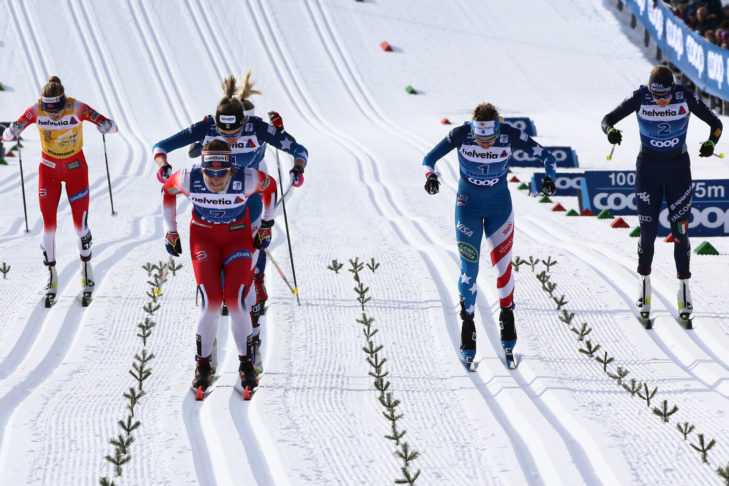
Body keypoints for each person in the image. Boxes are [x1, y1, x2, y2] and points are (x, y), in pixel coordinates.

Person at [153, 69, 308, 373]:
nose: (230, 139)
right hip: (213, 201)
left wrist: (297, 169)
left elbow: (298, 149)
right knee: (216, 290)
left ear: (244, 123)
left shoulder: (257, 128)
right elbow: (160, 146)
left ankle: (253, 335)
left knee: (245, 286)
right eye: (223, 135)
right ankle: (215, 342)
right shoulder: (207, 126)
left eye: (236, 133)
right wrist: (163, 167)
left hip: (249, 199)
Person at [422, 102, 557, 369]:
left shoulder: (509, 133)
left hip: (499, 209)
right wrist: (431, 177)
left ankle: (507, 322)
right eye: (480, 139)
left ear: (498, 131)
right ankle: (468, 327)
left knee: (503, 268)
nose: (485, 145)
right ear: (473, 129)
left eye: (490, 140)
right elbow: (429, 159)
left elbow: (548, 157)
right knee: (469, 270)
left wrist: (549, 178)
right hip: (467, 208)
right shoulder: (461, 134)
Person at [601, 65, 722, 323]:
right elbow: (607, 120)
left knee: (680, 232)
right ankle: (644, 286)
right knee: (648, 233)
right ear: (651, 90)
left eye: (666, 96)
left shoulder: (684, 96)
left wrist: (711, 142)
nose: (662, 101)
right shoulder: (641, 96)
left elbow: (716, 123)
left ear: (672, 89)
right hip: (648, 171)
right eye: (657, 97)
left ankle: (684, 291)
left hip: (678, 170)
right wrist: (611, 132)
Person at [162, 139, 278, 397]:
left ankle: (246, 364)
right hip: (204, 239)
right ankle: (202, 367)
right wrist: (171, 232)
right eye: (209, 173)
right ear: (201, 169)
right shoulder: (188, 178)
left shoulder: (247, 178)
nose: (215, 180)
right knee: (212, 301)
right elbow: (167, 191)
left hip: (238, 237)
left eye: (221, 173)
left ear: (231, 169)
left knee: (236, 300)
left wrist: (267, 225)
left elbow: (271, 187)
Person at [1, 76, 117, 305]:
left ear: (64, 102)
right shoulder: (35, 109)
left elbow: (112, 126)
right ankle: (51, 275)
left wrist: (106, 126)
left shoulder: (77, 107)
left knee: (80, 225)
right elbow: (6, 136)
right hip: (49, 171)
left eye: (57, 109)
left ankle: (86, 271)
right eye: (49, 109)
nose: (53, 115)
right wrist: (11, 131)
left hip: (76, 170)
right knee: (49, 225)